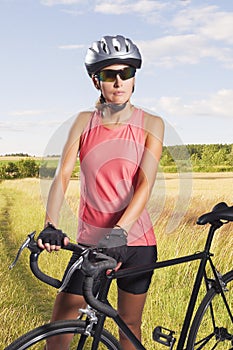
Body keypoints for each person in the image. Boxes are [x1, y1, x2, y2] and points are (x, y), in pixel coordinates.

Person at [38, 34, 164, 350]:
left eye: (127, 74)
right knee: (62, 324)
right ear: (97, 81)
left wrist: (120, 232)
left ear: (135, 79)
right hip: (92, 244)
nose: (119, 82)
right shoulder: (84, 122)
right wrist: (51, 224)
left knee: (129, 326)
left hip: (136, 243)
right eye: (110, 75)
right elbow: (63, 175)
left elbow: (144, 185)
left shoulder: (152, 123)